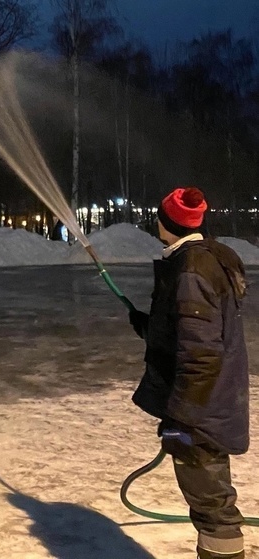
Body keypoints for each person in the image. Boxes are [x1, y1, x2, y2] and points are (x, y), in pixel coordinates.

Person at [129, 186, 250, 559]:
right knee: (209, 497)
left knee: (212, 505)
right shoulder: (208, 258)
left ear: (167, 222)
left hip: (202, 409)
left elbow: (200, 354)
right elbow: (197, 330)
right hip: (211, 400)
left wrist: (180, 418)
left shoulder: (191, 270)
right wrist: (153, 327)